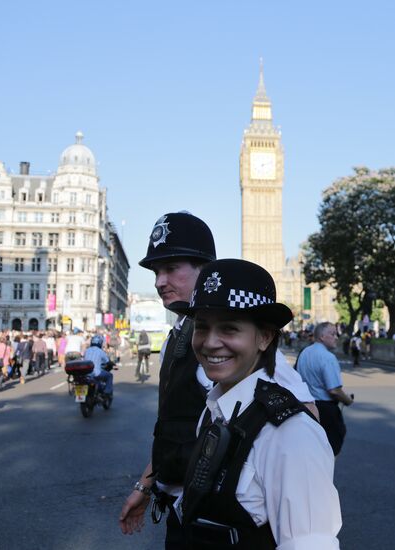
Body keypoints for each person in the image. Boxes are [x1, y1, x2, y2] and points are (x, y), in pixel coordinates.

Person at [119, 212, 317, 548]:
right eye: (155, 271)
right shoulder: (179, 337)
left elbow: (307, 417)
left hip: (226, 529)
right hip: (183, 515)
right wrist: (145, 485)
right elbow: (176, 429)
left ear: (204, 270)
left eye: (170, 268)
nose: (158, 281)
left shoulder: (231, 349)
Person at [181, 259, 341, 548]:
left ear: (265, 338)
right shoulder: (212, 410)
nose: (210, 342)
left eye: (229, 329)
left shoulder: (292, 435)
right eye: (201, 327)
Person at [297, 322, 354, 456]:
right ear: (322, 336)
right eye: (332, 334)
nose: (336, 337)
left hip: (306, 406)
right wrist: (348, 401)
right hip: (326, 410)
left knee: (311, 449)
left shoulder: (304, 353)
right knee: (330, 449)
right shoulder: (328, 357)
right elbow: (334, 390)